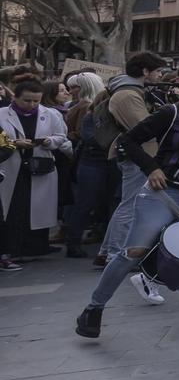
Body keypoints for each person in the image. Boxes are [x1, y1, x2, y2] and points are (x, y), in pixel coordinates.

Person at [78, 68, 179, 335]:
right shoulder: (171, 113)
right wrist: (151, 168)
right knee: (132, 251)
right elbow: (129, 141)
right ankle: (93, 309)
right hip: (166, 191)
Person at [96, 52, 170, 300]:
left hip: (142, 157)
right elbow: (145, 127)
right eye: (157, 71)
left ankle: (109, 250)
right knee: (130, 205)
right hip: (139, 158)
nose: (160, 75)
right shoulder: (127, 95)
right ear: (145, 71)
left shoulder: (132, 91)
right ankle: (115, 252)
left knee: (130, 204)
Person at [0, 77, 71, 269]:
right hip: (11, 166)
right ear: (15, 97)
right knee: (13, 208)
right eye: (27, 100)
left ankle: (36, 247)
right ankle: (12, 249)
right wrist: (14, 144)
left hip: (39, 165)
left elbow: (61, 137)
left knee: (38, 207)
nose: (31, 105)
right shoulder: (1, 114)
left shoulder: (51, 114)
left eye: (36, 101)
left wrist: (49, 141)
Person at [60, 72, 116, 261]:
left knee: (111, 204)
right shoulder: (91, 115)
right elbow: (91, 138)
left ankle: (107, 244)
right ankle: (73, 243)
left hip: (105, 163)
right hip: (93, 163)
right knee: (85, 203)